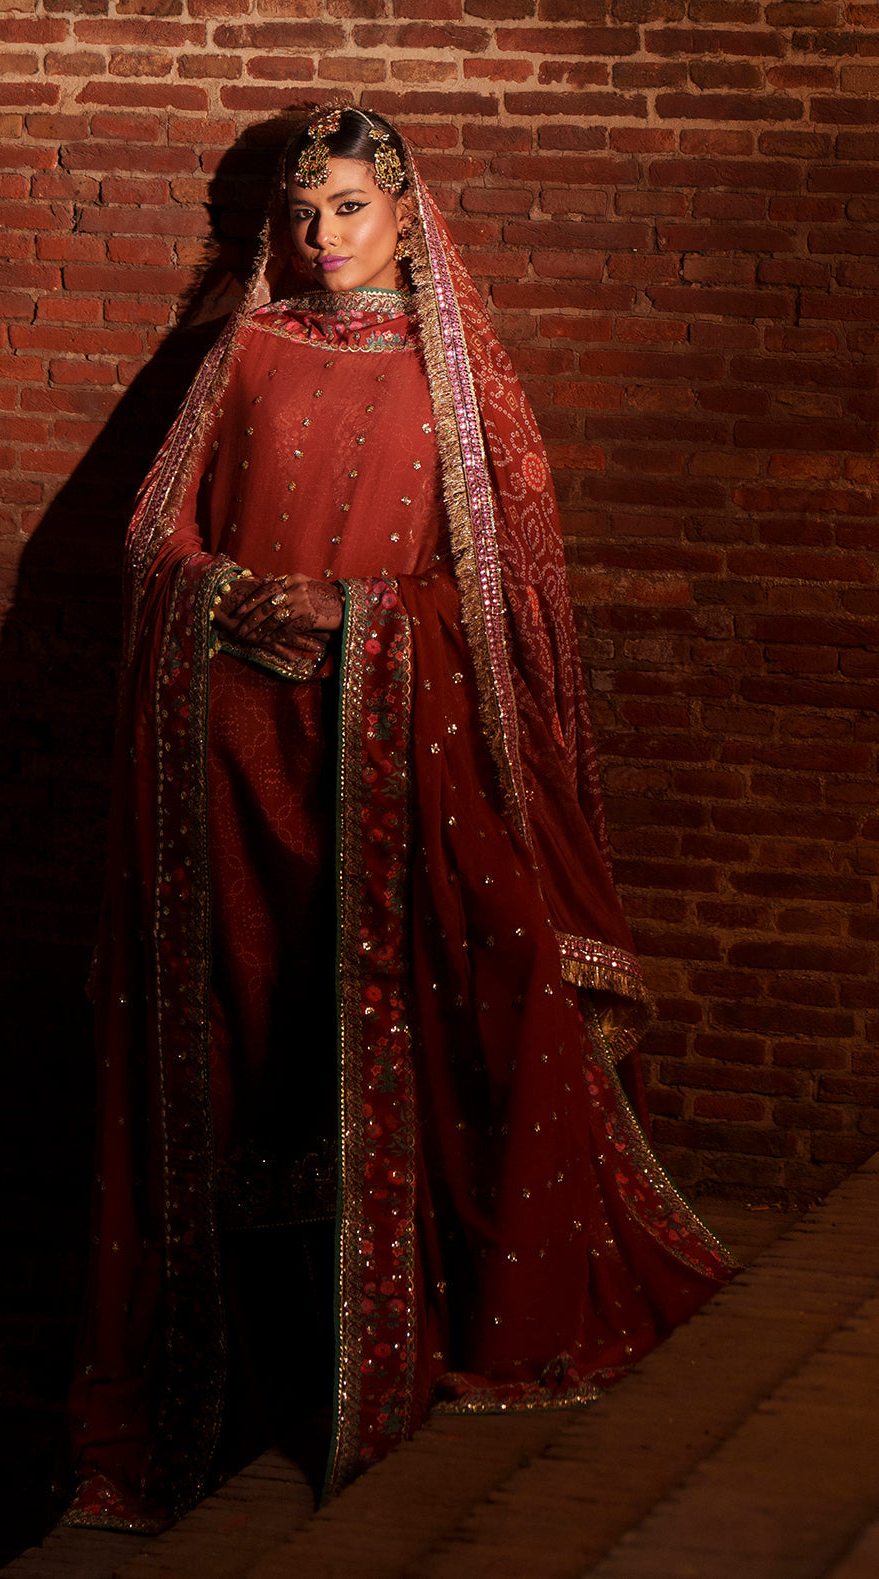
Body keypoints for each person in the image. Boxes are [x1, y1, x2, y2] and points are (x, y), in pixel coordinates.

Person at [63, 104, 735, 1535]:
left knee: (438, 1006)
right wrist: (226, 594)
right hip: (235, 741)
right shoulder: (243, 351)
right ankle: (259, 1376)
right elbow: (154, 536)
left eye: (350, 208)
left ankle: (434, 1334)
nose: (323, 236)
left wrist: (357, 612)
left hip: (391, 743)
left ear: (407, 216)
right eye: (303, 214)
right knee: (250, 1034)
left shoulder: (456, 380)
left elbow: (505, 598)